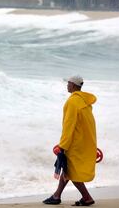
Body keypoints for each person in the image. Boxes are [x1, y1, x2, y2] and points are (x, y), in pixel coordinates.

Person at [43, 75, 97, 206]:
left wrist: (62, 145)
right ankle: (57, 196)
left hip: (75, 143)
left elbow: (69, 125)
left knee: (71, 171)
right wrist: (91, 143)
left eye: (68, 83)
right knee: (68, 169)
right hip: (85, 141)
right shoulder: (85, 101)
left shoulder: (72, 102)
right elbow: (90, 124)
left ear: (73, 85)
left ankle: (87, 198)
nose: (67, 85)